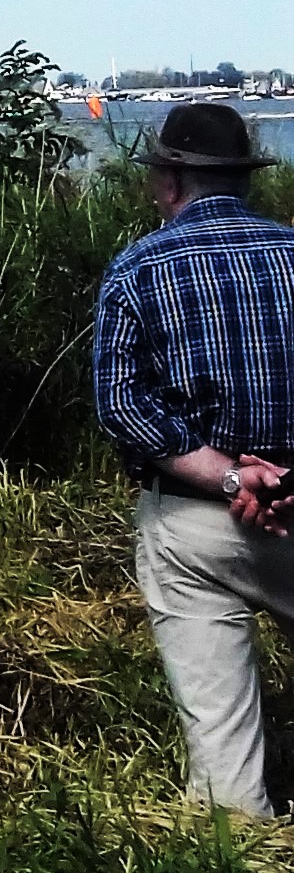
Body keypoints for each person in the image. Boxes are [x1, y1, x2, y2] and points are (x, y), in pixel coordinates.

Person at [94, 102, 294, 817]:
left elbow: (121, 405)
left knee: (223, 758)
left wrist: (236, 476)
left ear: (171, 179)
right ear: (244, 179)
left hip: (192, 524)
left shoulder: (136, 270)